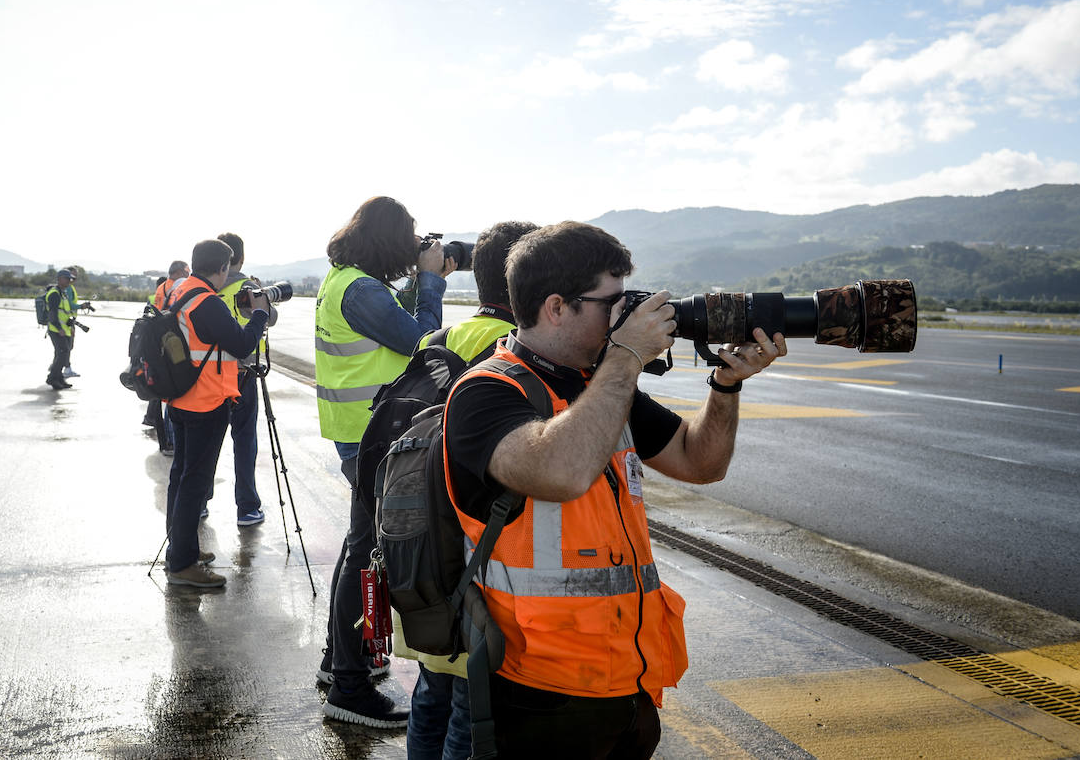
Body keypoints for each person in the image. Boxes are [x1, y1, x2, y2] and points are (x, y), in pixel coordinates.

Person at [442, 221, 786, 758]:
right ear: (556, 307)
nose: (627, 317)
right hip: (541, 695)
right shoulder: (486, 391)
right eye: (613, 304)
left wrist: (726, 385)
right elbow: (561, 471)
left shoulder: (600, 385)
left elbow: (701, 463)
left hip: (630, 682)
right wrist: (626, 356)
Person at [314, 196, 457, 728]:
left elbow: (393, 324)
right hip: (372, 435)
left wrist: (421, 278)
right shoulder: (363, 290)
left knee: (358, 546)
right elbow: (426, 342)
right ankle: (349, 688)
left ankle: (338, 664)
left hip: (358, 432)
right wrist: (432, 281)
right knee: (367, 552)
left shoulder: (345, 279)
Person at [403, 220, 537, 760]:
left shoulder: (443, 337)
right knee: (469, 701)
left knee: (430, 690)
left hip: (421, 545)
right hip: (474, 554)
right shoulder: (512, 352)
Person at [162, 239, 270, 588]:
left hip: (180, 398)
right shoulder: (208, 302)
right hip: (205, 402)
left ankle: (183, 549)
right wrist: (260, 315)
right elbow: (241, 344)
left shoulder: (180, 291)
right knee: (194, 481)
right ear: (223, 268)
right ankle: (181, 565)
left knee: (181, 476)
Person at [214, 233, 275, 527]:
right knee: (245, 441)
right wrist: (262, 294)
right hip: (243, 374)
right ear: (240, 258)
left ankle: (200, 502)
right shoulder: (246, 286)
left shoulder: (206, 289)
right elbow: (269, 317)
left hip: (211, 376)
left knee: (208, 443)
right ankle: (248, 508)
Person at [145, 262, 190, 453]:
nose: (189, 274)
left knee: (164, 398)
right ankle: (170, 442)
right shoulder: (177, 287)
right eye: (187, 271)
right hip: (171, 345)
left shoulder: (163, 288)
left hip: (160, 344)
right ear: (180, 271)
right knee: (172, 398)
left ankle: (165, 438)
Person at [44, 268, 93, 388]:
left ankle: (59, 378)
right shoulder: (55, 294)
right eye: (67, 279)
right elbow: (53, 313)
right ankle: (52, 379)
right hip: (56, 330)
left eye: (70, 279)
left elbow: (65, 311)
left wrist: (70, 326)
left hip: (64, 329)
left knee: (63, 354)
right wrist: (58, 327)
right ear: (60, 279)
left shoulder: (63, 293)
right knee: (62, 354)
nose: (69, 281)